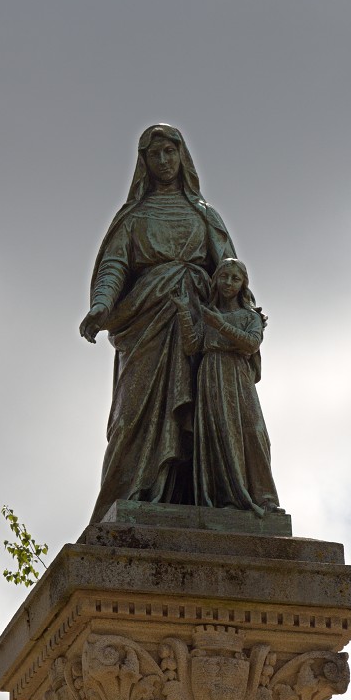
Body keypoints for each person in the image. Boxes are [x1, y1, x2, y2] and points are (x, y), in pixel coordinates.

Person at [80, 124, 236, 523]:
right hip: (146, 320)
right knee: (131, 416)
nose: (164, 161)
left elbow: (230, 272)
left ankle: (198, 499)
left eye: (171, 152)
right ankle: (129, 496)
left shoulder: (205, 216)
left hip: (198, 323)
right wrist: (100, 307)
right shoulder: (134, 217)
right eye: (156, 154)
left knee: (206, 416)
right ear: (144, 162)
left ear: (181, 156)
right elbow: (114, 264)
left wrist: (243, 319)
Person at [171, 258, 281, 515]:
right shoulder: (207, 313)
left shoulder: (249, 316)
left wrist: (219, 324)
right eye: (224, 277)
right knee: (220, 433)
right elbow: (191, 345)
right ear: (215, 280)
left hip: (238, 376)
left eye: (235, 278)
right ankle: (226, 498)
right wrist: (184, 311)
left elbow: (251, 344)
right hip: (211, 374)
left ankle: (265, 498)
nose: (228, 283)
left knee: (254, 432)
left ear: (243, 284)